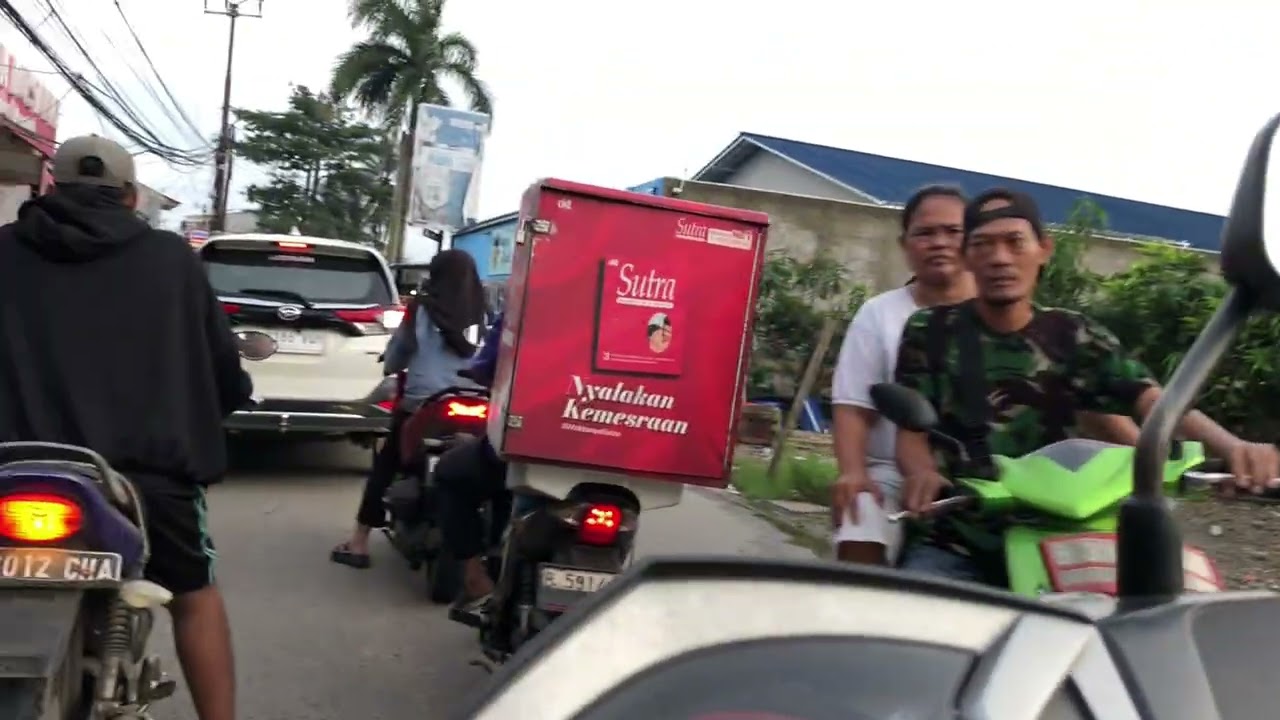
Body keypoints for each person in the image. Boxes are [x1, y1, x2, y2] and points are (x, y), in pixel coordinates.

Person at [890, 188, 1280, 583]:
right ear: (967, 257)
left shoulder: (1073, 334)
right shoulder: (930, 331)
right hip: (961, 537)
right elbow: (912, 429)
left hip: (1068, 536)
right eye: (984, 244)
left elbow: (1153, 401)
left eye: (1014, 242)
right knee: (915, 627)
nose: (1000, 258)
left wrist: (1233, 448)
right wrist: (921, 474)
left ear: (1043, 249)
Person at [0, 136, 252, 720]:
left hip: (12, 468)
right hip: (143, 481)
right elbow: (219, 368)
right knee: (192, 598)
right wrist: (227, 400)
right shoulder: (171, 260)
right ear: (132, 195)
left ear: (49, 188)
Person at [829, 185, 1140, 566]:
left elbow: (1096, 393)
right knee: (862, 517)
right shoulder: (889, 319)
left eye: (953, 231)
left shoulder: (1042, 322)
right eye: (926, 233)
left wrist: (1151, 458)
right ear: (905, 244)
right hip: (909, 473)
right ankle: (863, 614)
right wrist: (854, 472)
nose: (940, 243)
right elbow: (854, 405)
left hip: (1026, 479)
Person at [331, 249, 485, 569]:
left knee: (386, 462)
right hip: (478, 403)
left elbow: (398, 353)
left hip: (424, 403)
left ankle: (359, 543)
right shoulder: (487, 313)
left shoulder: (421, 311)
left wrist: (389, 365)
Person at [434, 313, 512, 610]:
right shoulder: (633, 314)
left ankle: (475, 577)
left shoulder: (529, 301)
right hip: (610, 463)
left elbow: (485, 367)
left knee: (450, 473)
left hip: (526, 450)